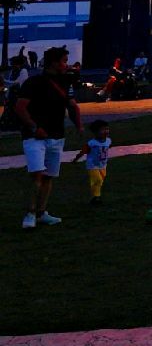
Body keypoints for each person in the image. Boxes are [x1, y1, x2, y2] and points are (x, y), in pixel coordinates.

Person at [15, 45, 83, 229]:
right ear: (54, 63)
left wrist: (79, 126)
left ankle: (41, 212)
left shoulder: (65, 82)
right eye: (64, 61)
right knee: (37, 174)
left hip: (56, 135)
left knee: (48, 176)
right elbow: (20, 108)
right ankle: (30, 213)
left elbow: (71, 105)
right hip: (34, 137)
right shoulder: (34, 83)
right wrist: (34, 127)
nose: (66, 65)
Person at [73, 119, 111, 205]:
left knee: (100, 181)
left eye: (107, 129)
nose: (106, 131)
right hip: (92, 165)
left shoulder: (108, 141)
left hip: (103, 165)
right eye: (103, 129)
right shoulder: (91, 143)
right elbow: (83, 152)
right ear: (95, 132)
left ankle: (95, 197)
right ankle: (96, 197)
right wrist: (76, 159)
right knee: (97, 180)